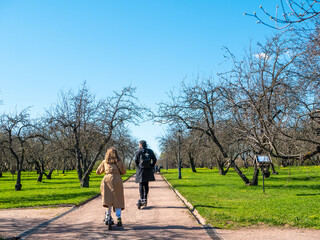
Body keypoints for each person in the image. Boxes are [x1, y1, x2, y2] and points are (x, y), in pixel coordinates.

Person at [96, 147, 126, 230]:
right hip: (117, 181)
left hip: (107, 180)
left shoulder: (105, 162)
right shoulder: (120, 162)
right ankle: (119, 218)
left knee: (108, 199)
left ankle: (108, 217)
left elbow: (98, 172)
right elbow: (124, 172)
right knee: (118, 199)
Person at [134, 140, 157, 207]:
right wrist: (151, 166)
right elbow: (154, 160)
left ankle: (141, 198)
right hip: (148, 169)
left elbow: (136, 161)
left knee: (141, 184)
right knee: (146, 184)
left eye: (139, 145)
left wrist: (138, 167)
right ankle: (145, 199)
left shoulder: (138, 152)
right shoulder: (150, 151)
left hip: (141, 170)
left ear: (141, 145)